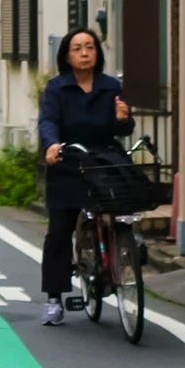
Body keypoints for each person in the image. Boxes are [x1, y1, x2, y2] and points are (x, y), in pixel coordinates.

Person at [35, 27, 131, 325]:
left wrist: (124, 120)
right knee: (59, 231)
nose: (85, 53)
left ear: (97, 53)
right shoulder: (57, 88)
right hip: (69, 159)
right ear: (67, 55)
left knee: (125, 206)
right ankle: (54, 297)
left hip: (104, 160)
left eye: (90, 47)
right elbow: (48, 120)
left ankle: (125, 250)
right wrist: (52, 145)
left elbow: (123, 129)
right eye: (78, 48)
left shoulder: (110, 86)